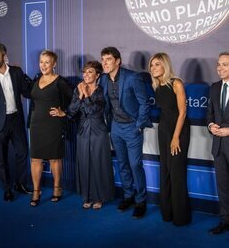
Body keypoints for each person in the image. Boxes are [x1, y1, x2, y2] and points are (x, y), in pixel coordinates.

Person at [99, 47, 152, 218]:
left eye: (108, 59)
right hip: (116, 127)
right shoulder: (104, 80)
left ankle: (141, 200)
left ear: (118, 61)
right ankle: (128, 195)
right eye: (103, 59)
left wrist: (138, 125)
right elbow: (106, 104)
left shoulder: (132, 77)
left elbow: (144, 103)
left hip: (132, 127)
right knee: (122, 163)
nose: (104, 63)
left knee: (135, 164)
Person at [0, 42, 32, 201]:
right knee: (1, 158)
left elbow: (27, 92)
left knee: (22, 153)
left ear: (4, 55)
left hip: (15, 119)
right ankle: (7, 189)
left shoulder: (16, 72)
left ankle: (20, 184)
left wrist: (40, 82)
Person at [64, 61, 115, 209]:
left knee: (98, 163)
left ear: (98, 75)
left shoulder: (102, 91)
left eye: (90, 72)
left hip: (99, 129)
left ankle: (99, 197)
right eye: (84, 72)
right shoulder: (78, 89)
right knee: (85, 162)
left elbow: (94, 111)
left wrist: (85, 95)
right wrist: (80, 95)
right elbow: (71, 111)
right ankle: (87, 196)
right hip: (82, 130)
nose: (86, 75)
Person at [148, 52, 191, 226]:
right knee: (164, 169)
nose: (153, 68)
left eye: (157, 64)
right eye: (151, 65)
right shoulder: (157, 85)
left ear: (165, 65)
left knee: (176, 172)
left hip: (178, 131)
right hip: (163, 129)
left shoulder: (177, 83)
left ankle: (181, 217)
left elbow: (183, 112)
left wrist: (175, 137)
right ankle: (167, 212)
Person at [29, 50, 72, 206]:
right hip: (36, 124)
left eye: (47, 62)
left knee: (55, 158)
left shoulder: (61, 81)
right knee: (35, 159)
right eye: (41, 62)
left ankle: (57, 188)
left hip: (53, 125)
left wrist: (64, 112)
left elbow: (74, 99)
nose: (43, 65)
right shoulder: (35, 79)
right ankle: (36, 191)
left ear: (54, 64)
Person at [207, 52, 229, 234]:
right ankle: (225, 220)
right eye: (218, 64)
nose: (220, 68)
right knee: (222, 186)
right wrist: (210, 125)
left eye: (225, 65)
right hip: (218, 146)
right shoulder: (214, 87)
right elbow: (209, 113)